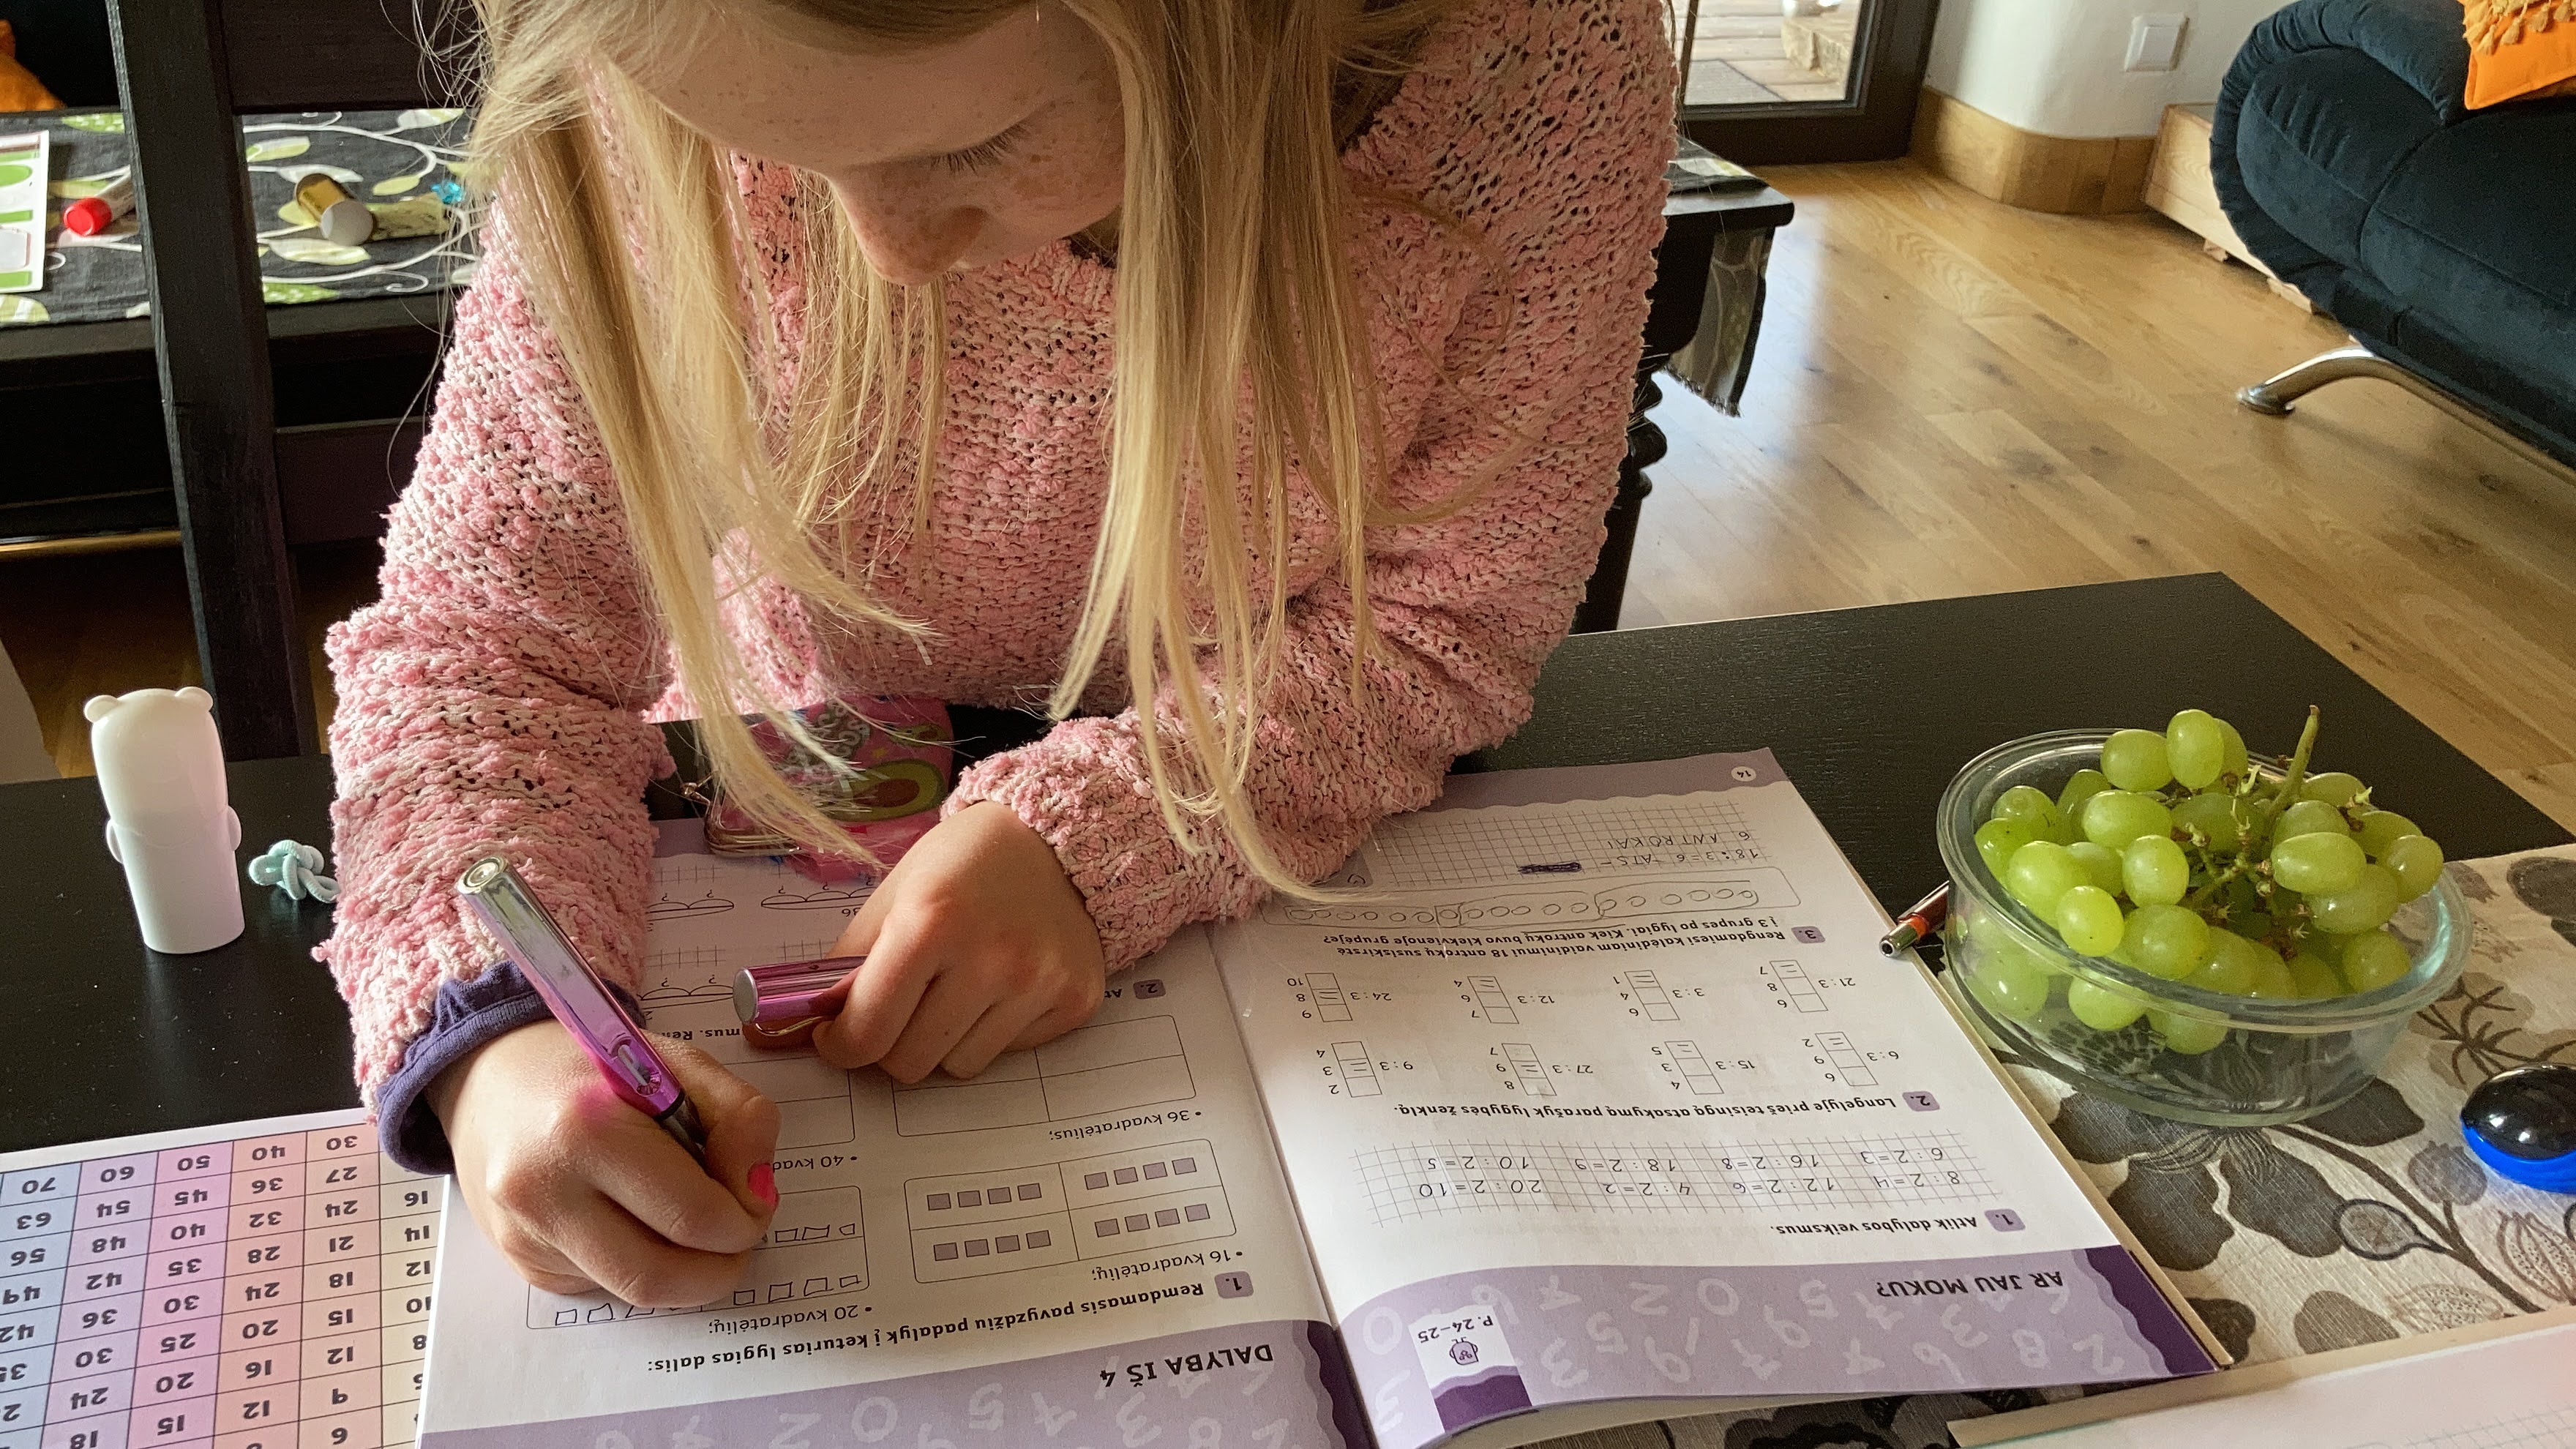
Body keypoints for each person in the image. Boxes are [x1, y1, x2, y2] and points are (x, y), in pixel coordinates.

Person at [323, 0, 1674, 1308]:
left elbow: (1445, 625)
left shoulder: (1540, 70)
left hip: (1289, 867)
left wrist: (1110, 834)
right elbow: (477, 647)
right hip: (783, 792)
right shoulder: (638, 79)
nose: (892, 255)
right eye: (777, 158)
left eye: (973, 148)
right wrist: (494, 1035)